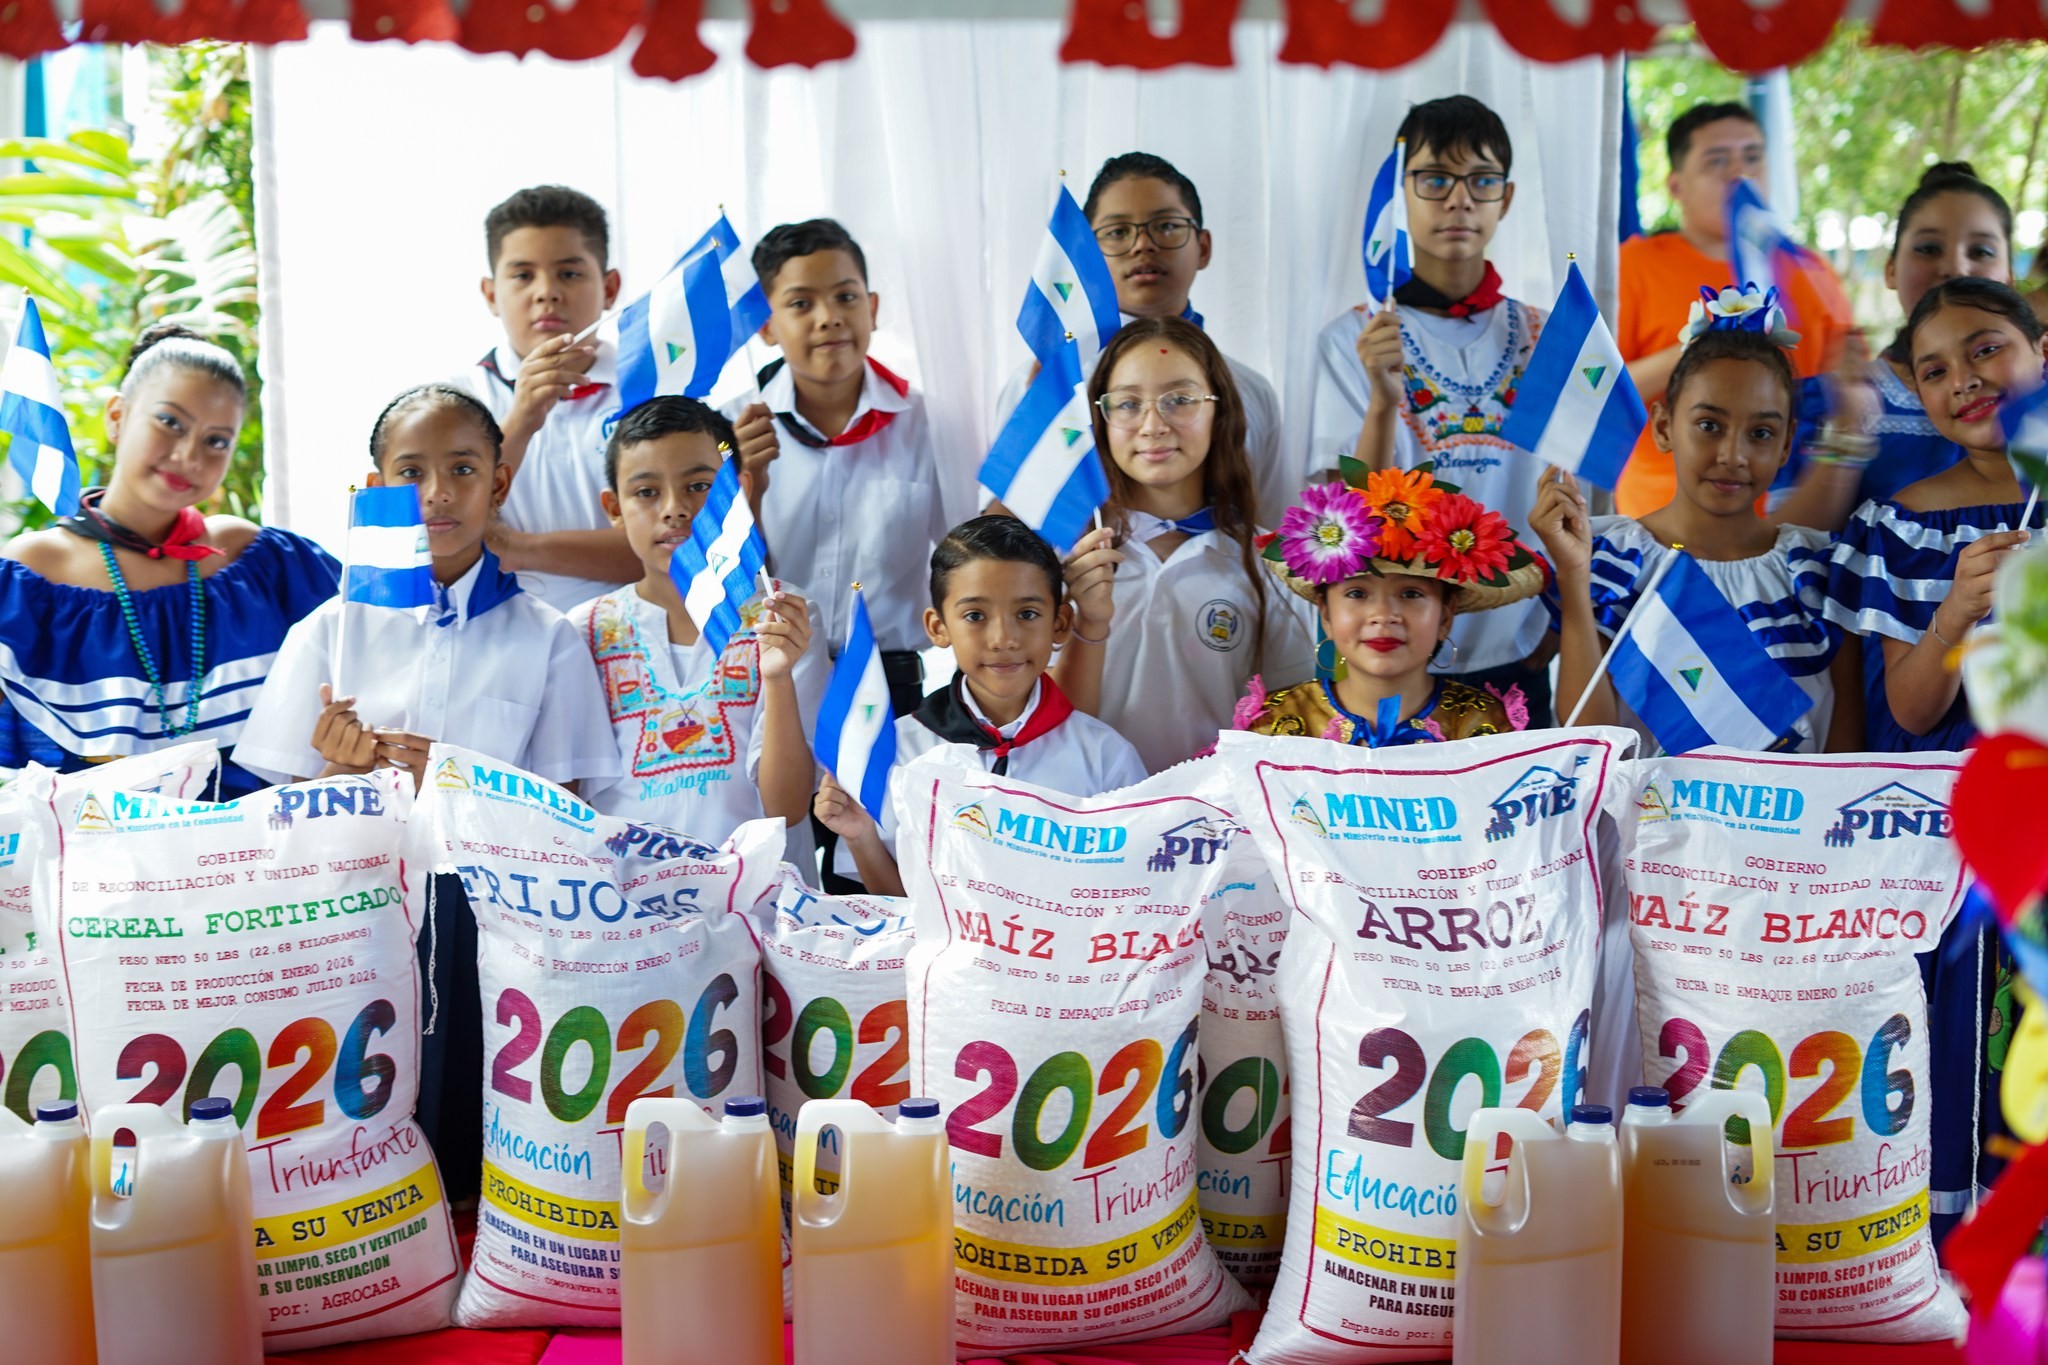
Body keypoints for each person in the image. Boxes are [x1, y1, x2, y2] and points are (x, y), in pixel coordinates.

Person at [234, 384, 617, 1207]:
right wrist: (337, 775)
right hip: (348, 916)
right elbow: (276, 815)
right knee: (354, 1111)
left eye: (462, 469)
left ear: (499, 484)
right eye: (411, 471)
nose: (438, 492)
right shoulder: (327, 630)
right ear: (371, 487)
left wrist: (454, 776)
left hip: (486, 923)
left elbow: (566, 809)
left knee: (470, 1126)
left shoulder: (546, 637)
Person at [1822, 276, 2040, 1244]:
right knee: (1976, 1042)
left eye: (1987, 349)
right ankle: (1974, 1246)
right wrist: (1955, 609)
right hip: (1962, 856)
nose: (1964, 381)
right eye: (1933, 370)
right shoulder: (1897, 524)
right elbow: (1906, 713)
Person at [0, 324, 338, 798]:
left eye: (216, 441)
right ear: (117, 416)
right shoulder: (28, 574)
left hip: (257, 862)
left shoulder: (262, 563)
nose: (188, 456)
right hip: (89, 867)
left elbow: (382, 647)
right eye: (170, 422)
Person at [1306, 95, 1555, 720]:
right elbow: (1345, 515)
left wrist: (1561, 621)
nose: (1459, 199)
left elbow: (1581, 489)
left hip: (1519, 643)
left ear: (1507, 196)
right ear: (1401, 192)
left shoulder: (1547, 337)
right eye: (1435, 179)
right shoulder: (1354, 339)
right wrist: (1381, 400)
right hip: (1388, 649)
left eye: (1481, 180)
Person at [1534, 287, 1861, 753]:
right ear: (1664, 427)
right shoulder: (1611, 564)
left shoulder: (1818, 570)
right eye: (1709, 425)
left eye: (1761, 433)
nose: (1733, 455)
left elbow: (1846, 747)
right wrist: (1572, 574)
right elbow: (1591, 741)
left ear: (1787, 443)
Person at [814, 515, 1145, 894]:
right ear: (938, 627)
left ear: (1060, 623)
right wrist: (860, 838)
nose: (1003, 638)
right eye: (975, 616)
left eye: (1027, 614)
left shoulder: (1105, 755)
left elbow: (1128, 890)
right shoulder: (896, 750)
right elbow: (901, 907)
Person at [1053, 317, 1312, 772]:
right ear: (1101, 417)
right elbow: (1046, 727)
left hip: (1218, 827)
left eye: (1180, 400)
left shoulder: (1269, 563)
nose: (1153, 425)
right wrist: (1085, 624)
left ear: (1221, 411)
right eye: (1128, 404)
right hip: (1093, 821)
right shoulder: (1066, 558)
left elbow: (1292, 726)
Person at [569, 396, 827, 842]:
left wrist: (779, 677)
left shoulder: (785, 614)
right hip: (625, 902)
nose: (674, 508)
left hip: (760, 899)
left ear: (740, 490)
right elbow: (570, 804)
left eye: (699, 485)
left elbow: (786, 808)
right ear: (613, 507)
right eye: (646, 492)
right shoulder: (583, 631)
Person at [993, 153, 1289, 526]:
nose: (1142, 245)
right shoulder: (1046, 379)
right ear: (1089, 256)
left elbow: (1272, 527)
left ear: (1204, 247)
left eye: (1166, 226)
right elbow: (996, 530)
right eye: (1117, 232)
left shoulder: (1250, 389)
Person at [727, 218, 945, 717]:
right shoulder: (730, 430)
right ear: (765, 324)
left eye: (846, 298)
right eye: (801, 304)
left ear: (872, 309)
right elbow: (721, 582)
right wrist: (748, 488)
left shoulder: (928, 425)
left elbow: (969, 550)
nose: (828, 318)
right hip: (763, 676)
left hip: (891, 687)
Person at [1616, 102, 1855, 520]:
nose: (1738, 173)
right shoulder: (1633, 265)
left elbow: (1847, 388)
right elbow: (1596, 395)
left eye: (1752, 157)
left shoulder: (1809, 270)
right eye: (1717, 160)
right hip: (1668, 520)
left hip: (1794, 517)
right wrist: (1696, 347)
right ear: (1676, 185)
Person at [1235, 468, 1553, 745]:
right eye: (1358, 593)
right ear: (1326, 613)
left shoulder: (1488, 729)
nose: (1384, 616)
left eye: (1411, 594)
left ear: (1445, 615)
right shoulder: (1273, 727)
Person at [1781, 163, 2016, 514]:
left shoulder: (2036, 396)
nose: (1954, 267)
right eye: (1928, 248)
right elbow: (1783, 550)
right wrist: (1848, 430)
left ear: (2010, 276)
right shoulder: (1821, 401)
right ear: (1890, 270)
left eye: (1980, 251)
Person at [456, 184, 641, 612]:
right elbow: (436, 537)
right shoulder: (452, 404)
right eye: (522, 275)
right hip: (498, 645)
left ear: (610, 287)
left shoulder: (653, 395)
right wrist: (521, 418)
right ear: (490, 294)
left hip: (628, 646)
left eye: (570, 273)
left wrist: (516, 547)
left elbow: (674, 546)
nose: (547, 292)